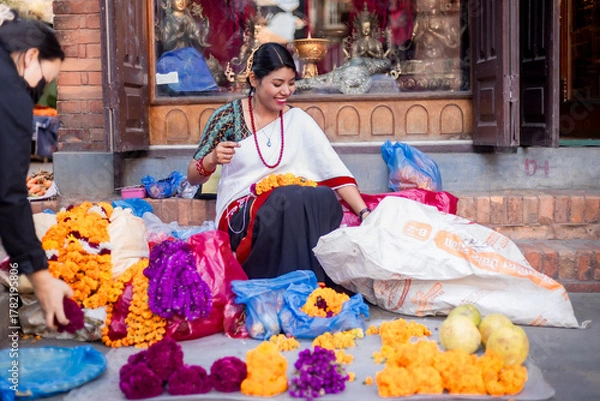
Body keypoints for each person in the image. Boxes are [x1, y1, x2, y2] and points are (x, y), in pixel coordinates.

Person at [187, 42, 371, 285]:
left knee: (322, 197)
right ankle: (293, 284)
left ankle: (307, 285)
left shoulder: (298, 120)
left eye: (291, 83)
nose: (286, 91)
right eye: (277, 84)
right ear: (254, 80)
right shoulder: (227, 118)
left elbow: (333, 172)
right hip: (242, 213)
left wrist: (365, 213)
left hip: (289, 202)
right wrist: (211, 159)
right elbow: (192, 176)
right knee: (288, 200)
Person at [0, 6, 73, 330]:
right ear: (30, 56)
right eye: (45, 79)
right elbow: (9, 193)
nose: (40, 90)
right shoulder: (9, 89)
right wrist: (40, 277)